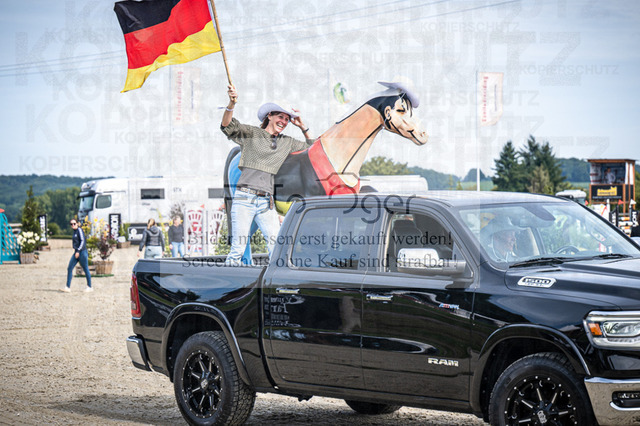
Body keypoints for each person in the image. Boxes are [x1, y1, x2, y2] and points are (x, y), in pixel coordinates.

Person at [221, 84, 313, 264]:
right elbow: (226, 126)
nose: (284, 122)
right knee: (238, 250)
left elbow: (312, 149)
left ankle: (276, 281)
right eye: (280, 117)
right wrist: (231, 104)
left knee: (276, 248)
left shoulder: (286, 142)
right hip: (244, 199)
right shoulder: (252, 134)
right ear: (269, 115)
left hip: (266, 202)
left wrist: (303, 126)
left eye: (287, 119)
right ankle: (229, 281)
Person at [62, 219, 92, 292]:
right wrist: (76, 251)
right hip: (76, 252)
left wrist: (78, 251)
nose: (73, 225)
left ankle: (89, 286)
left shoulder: (79, 230)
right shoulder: (74, 232)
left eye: (74, 223)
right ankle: (67, 287)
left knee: (85, 268)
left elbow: (83, 241)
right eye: (71, 224)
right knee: (70, 268)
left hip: (82, 252)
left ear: (77, 223)